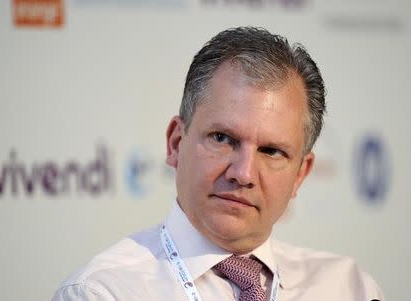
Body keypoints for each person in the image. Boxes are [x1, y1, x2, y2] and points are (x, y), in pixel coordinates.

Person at [52, 27, 384, 301]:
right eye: (223, 139)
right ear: (175, 143)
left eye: (271, 151)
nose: (242, 173)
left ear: (301, 174)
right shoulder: (102, 292)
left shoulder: (350, 289)